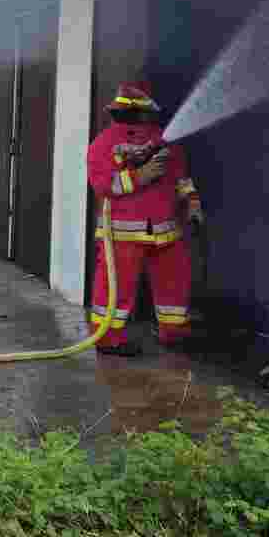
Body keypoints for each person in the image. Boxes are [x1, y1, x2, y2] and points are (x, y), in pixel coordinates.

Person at [86, 80, 206, 356]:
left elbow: (181, 177)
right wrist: (140, 176)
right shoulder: (104, 144)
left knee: (174, 282)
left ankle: (173, 332)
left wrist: (192, 202)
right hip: (123, 234)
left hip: (166, 230)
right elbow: (103, 184)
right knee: (116, 287)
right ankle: (108, 339)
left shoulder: (165, 141)